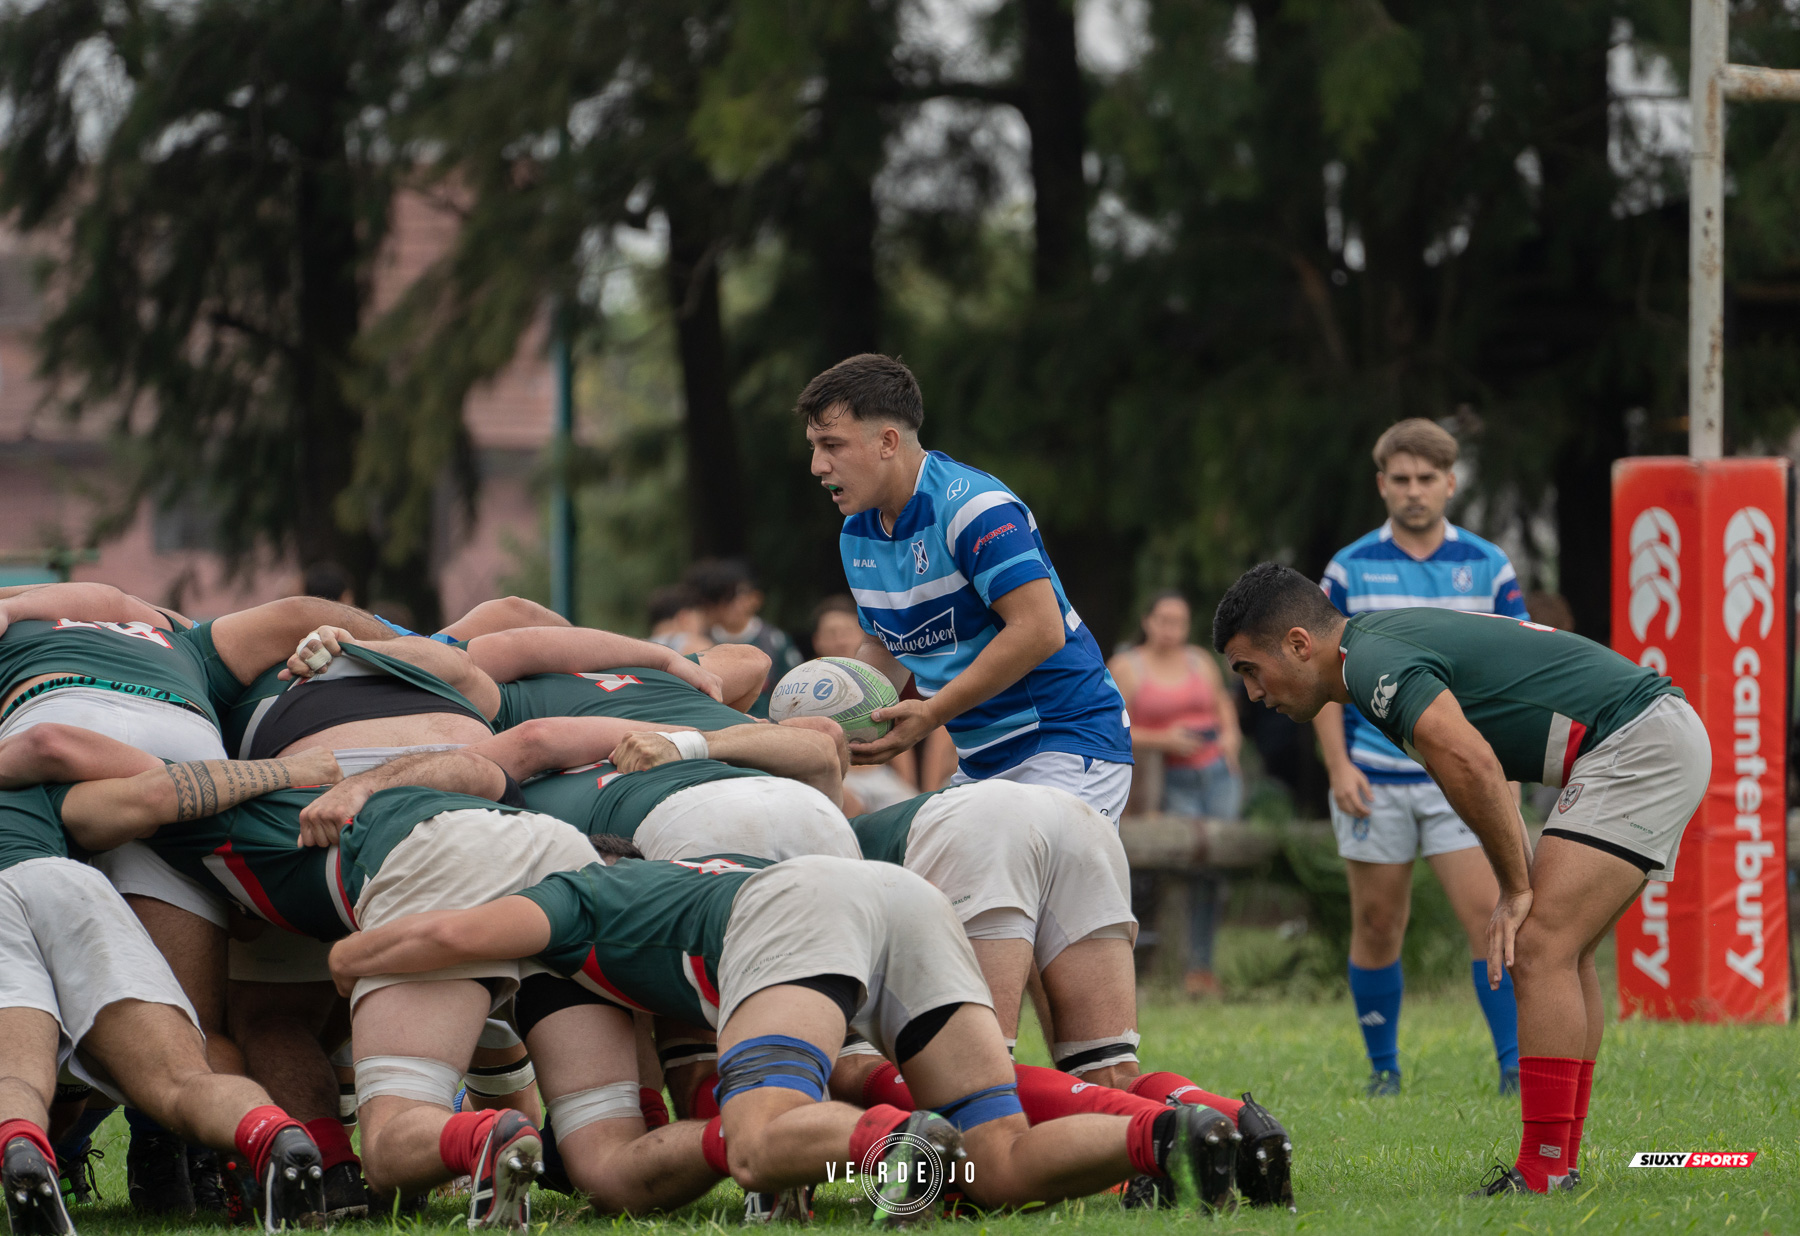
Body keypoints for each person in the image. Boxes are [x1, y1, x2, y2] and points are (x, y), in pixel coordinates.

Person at [326, 848, 1249, 1217]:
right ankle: (1164, 1136)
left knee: (764, 1147)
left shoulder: (574, 891)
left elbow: (452, 935)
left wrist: (354, 956)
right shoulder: (677, 877)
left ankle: (891, 1147)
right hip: (894, 896)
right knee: (993, 1167)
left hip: (796, 913)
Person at [1214, 563, 1709, 1197]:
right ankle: (1558, 1164)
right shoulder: (1371, 647)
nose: (1253, 694)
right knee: (1564, 950)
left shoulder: (1372, 666)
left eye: (1249, 669)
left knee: (1539, 947)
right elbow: (1482, 760)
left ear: (1298, 644)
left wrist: (1515, 886)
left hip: (1637, 743)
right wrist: (1519, 877)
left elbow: (1472, 763)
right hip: (1648, 734)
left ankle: (1544, 1170)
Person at [798, 354, 1133, 818]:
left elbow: (1040, 629)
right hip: (979, 761)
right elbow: (885, 646)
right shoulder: (857, 532)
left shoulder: (974, 508)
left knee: (1018, 890)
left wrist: (931, 715)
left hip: (1065, 741)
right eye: (814, 446)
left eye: (832, 445)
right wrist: (837, 717)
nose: (817, 465)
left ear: (888, 442)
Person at [1311, 418, 1528, 1097]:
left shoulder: (1490, 567)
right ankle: (1384, 1071)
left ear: (1450, 483)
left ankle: (1515, 1068)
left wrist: (1508, 773)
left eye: (1426, 479)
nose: (1413, 491)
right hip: (1375, 777)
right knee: (1377, 924)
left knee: (1489, 916)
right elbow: (1316, 674)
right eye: (1400, 479)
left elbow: (1516, 679)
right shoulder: (1348, 568)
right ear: (1382, 485)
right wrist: (1339, 767)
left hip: (1461, 776)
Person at [1107, 591, 1243, 998]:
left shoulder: (1200, 660)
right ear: (1147, 621)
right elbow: (1112, 725)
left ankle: (1203, 965)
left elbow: (1224, 704)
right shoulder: (1128, 667)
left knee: (1216, 865)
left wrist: (1231, 738)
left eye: (1179, 621)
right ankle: (1176, 964)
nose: (1171, 629)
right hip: (1166, 779)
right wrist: (1162, 739)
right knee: (1185, 861)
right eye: (1163, 620)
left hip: (1217, 773)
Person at [684, 561, 801, 717]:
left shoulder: (774, 640)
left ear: (756, 598)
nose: (733, 604)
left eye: (738, 595)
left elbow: (795, 689)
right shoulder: (699, 641)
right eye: (726, 597)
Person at [646, 585, 713, 657]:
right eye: (699, 623)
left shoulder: (639, 649)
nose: (702, 630)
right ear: (684, 618)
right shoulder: (694, 645)